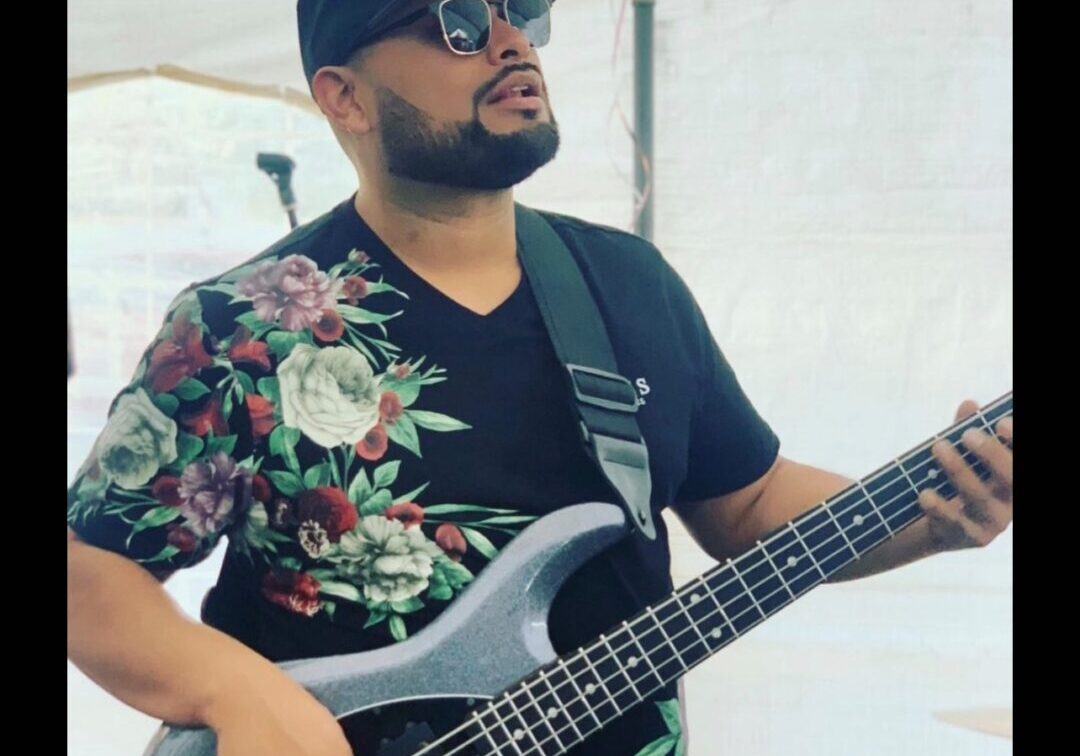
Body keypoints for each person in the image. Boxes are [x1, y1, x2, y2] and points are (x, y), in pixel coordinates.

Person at [66, 2, 1014, 754]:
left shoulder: (628, 286)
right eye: (458, 25)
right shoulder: (238, 326)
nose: (512, 43)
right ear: (343, 96)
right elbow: (87, 571)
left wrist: (927, 516)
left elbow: (751, 501)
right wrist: (235, 693)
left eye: (519, 9)